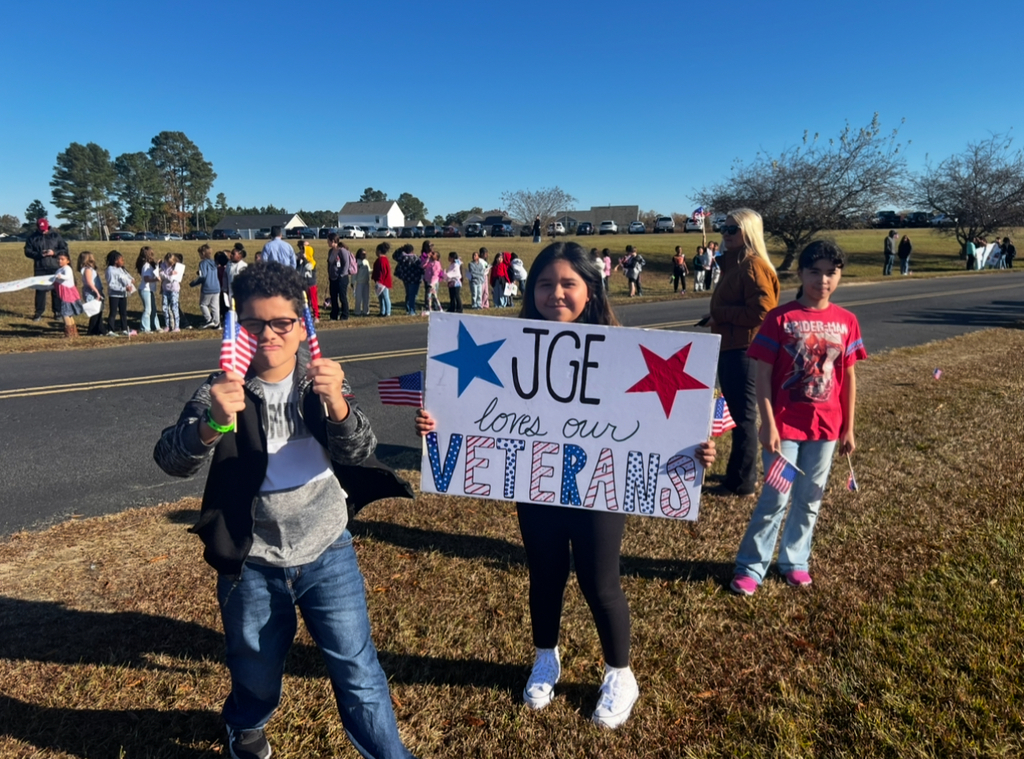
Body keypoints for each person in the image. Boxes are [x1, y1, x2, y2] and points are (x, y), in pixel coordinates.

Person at [415, 242, 716, 730]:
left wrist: (694, 449)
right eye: (544, 284)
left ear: (591, 289)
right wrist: (436, 425)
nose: (555, 293)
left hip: (602, 483)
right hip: (537, 480)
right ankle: (545, 657)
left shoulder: (621, 350)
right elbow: (468, 413)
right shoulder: (507, 343)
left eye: (568, 283)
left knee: (600, 581)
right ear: (530, 290)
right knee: (545, 574)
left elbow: (663, 423)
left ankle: (621, 673)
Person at [153, 263, 416, 759]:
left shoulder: (320, 380)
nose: (269, 335)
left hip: (327, 549)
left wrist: (337, 403)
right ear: (237, 328)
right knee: (254, 668)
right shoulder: (222, 388)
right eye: (254, 324)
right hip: (252, 559)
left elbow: (361, 449)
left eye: (282, 323)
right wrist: (211, 425)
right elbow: (171, 460)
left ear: (303, 325)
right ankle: (246, 726)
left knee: (358, 670)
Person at [730, 240, 867, 596]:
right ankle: (751, 566)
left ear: (839, 275)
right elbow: (761, 375)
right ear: (802, 273)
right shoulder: (781, 318)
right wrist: (768, 423)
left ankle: (795, 560)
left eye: (830, 272)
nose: (822, 280)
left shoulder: (847, 321)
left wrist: (848, 428)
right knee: (775, 497)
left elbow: (848, 378)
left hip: (826, 428)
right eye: (814, 272)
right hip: (785, 427)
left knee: (810, 498)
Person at [705, 209, 780, 498]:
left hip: (745, 350)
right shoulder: (735, 265)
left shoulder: (752, 266)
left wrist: (719, 315)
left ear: (748, 232)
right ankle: (736, 475)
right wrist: (718, 317)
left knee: (744, 417)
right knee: (739, 416)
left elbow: (763, 312)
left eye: (732, 229)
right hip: (731, 345)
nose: (725, 234)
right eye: (723, 228)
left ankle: (743, 483)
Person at [24, 217, 68, 320]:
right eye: (41, 229)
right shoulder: (32, 238)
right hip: (40, 267)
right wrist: (39, 254)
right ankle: (39, 312)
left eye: (45, 228)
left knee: (56, 290)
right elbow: (27, 251)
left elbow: (64, 248)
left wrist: (54, 253)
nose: (43, 231)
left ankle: (57, 312)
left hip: (55, 266)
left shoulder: (56, 236)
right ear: (37, 227)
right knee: (40, 291)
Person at [52, 251, 83, 338]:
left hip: (67, 294)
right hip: (63, 294)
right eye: (58, 259)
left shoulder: (67, 268)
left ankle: (69, 333)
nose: (60, 261)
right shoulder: (59, 270)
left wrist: (60, 277)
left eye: (62, 259)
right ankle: (74, 332)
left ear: (68, 261)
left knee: (65, 313)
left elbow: (67, 277)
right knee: (68, 313)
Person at [105, 250, 136, 336]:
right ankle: (110, 330)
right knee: (113, 312)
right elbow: (111, 285)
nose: (123, 261)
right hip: (114, 295)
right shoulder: (110, 270)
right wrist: (123, 288)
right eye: (121, 260)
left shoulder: (121, 269)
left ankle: (124, 329)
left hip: (123, 294)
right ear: (115, 261)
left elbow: (127, 276)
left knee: (123, 312)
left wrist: (132, 280)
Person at [190, 245, 221, 329]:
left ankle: (209, 320)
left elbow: (203, 276)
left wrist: (193, 283)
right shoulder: (214, 262)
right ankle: (217, 323)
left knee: (203, 304)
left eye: (199, 254)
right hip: (216, 287)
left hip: (207, 287)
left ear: (203, 253)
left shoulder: (202, 263)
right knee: (215, 306)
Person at [78, 251, 106, 336]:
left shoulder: (91, 269)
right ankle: (92, 331)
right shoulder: (87, 270)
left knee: (99, 311)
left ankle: (99, 329)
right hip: (92, 293)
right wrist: (97, 292)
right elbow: (89, 282)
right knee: (95, 312)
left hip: (96, 291)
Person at [135, 247, 163, 333]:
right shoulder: (146, 266)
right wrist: (156, 280)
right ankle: (145, 328)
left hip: (149, 289)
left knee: (153, 309)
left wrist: (158, 265)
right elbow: (146, 279)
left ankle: (156, 326)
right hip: (145, 289)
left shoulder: (150, 264)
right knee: (148, 309)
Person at [393, 244, 424, 315]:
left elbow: (394, 256)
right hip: (414, 279)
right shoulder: (415, 258)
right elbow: (421, 268)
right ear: (412, 251)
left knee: (408, 294)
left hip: (405, 278)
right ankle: (411, 310)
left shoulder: (402, 258)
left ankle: (408, 308)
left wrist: (400, 249)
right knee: (413, 295)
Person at [161, 252, 184, 332]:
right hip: (165, 289)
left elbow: (175, 278)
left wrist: (170, 276)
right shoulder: (163, 266)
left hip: (174, 289)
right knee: (165, 307)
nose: (169, 264)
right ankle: (167, 325)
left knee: (174, 307)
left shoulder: (177, 267)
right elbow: (161, 274)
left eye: (171, 263)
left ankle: (176, 326)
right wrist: (169, 275)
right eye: (168, 262)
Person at [372, 242, 393, 317]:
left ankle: (388, 312)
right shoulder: (382, 259)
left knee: (385, 297)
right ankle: (382, 311)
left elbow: (383, 271)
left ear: (379, 251)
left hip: (383, 282)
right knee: (381, 298)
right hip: (381, 281)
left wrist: (380, 280)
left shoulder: (382, 260)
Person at [353, 248, 371, 316]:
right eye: (363, 254)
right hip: (359, 283)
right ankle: (357, 311)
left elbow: (369, 270)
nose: (364, 255)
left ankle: (366, 311)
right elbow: (354, 273)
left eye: (365, 254)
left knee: (366, 298)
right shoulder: (356, 262)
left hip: (366, 282)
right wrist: (352, 282)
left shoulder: (366, 261)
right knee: (358, 298)